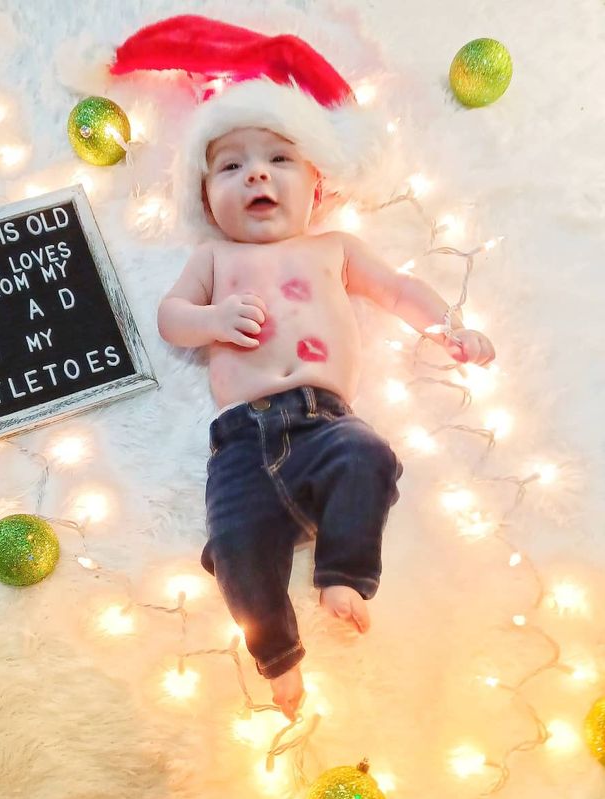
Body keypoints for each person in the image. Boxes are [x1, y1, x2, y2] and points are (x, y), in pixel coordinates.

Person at [113, 15, 496, 720]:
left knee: (370, 455)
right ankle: (277, 659)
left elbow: (399, 289)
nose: (255, 172)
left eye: (278, 160)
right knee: (233, 548)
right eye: (229, 166)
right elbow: (170, 317)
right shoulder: (214, 260)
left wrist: (446, 326)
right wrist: (209, 321)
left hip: (325, 423)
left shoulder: (332, 248)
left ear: (316, 188)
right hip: (239, 441)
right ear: (205, 201)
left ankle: (343, 577)